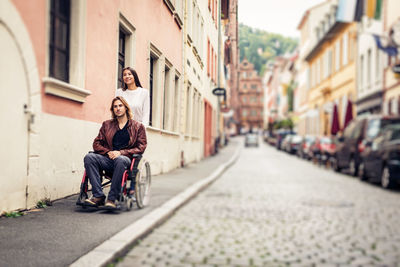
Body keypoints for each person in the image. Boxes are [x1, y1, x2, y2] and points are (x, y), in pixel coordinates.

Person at [83, 96, 147, 209]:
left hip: (125, 160)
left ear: (126, 108)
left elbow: (141, 147)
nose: (118, 108)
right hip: (108, 159)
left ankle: (112, 198)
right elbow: (96, 143)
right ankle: (98, 196)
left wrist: (121, 152)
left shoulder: (138, 127)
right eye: (115, 106)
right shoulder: (107, 125)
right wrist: (108, 152)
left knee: (120, 159)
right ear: (113, 110)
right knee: (89, 157)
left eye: (120, 106)